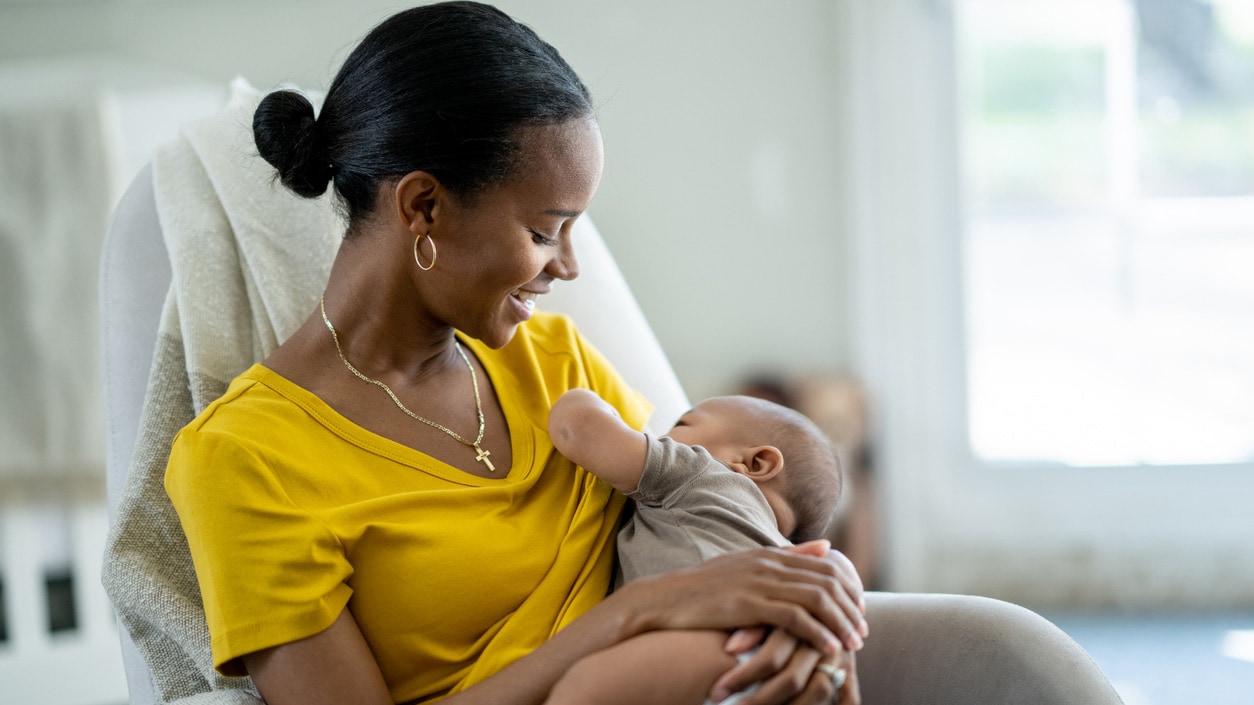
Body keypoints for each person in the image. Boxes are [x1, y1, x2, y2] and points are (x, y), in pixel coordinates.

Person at [162, 4, 866, 705]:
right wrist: (635, 615)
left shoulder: (559, 362)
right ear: (423, 207)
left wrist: (799, 607)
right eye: (544, 231)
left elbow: (702, 523)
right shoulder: (246, 460)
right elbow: (674, 592)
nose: (567, 268)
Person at [544, 389, 858, 705]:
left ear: (755, 462)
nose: (660, 436)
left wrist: (582, 397)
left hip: (708, 642)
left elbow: (576, 426)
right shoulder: (778, 546)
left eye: (682, 424)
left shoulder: (702, 473)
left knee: (584, 687)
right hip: (783, 657)